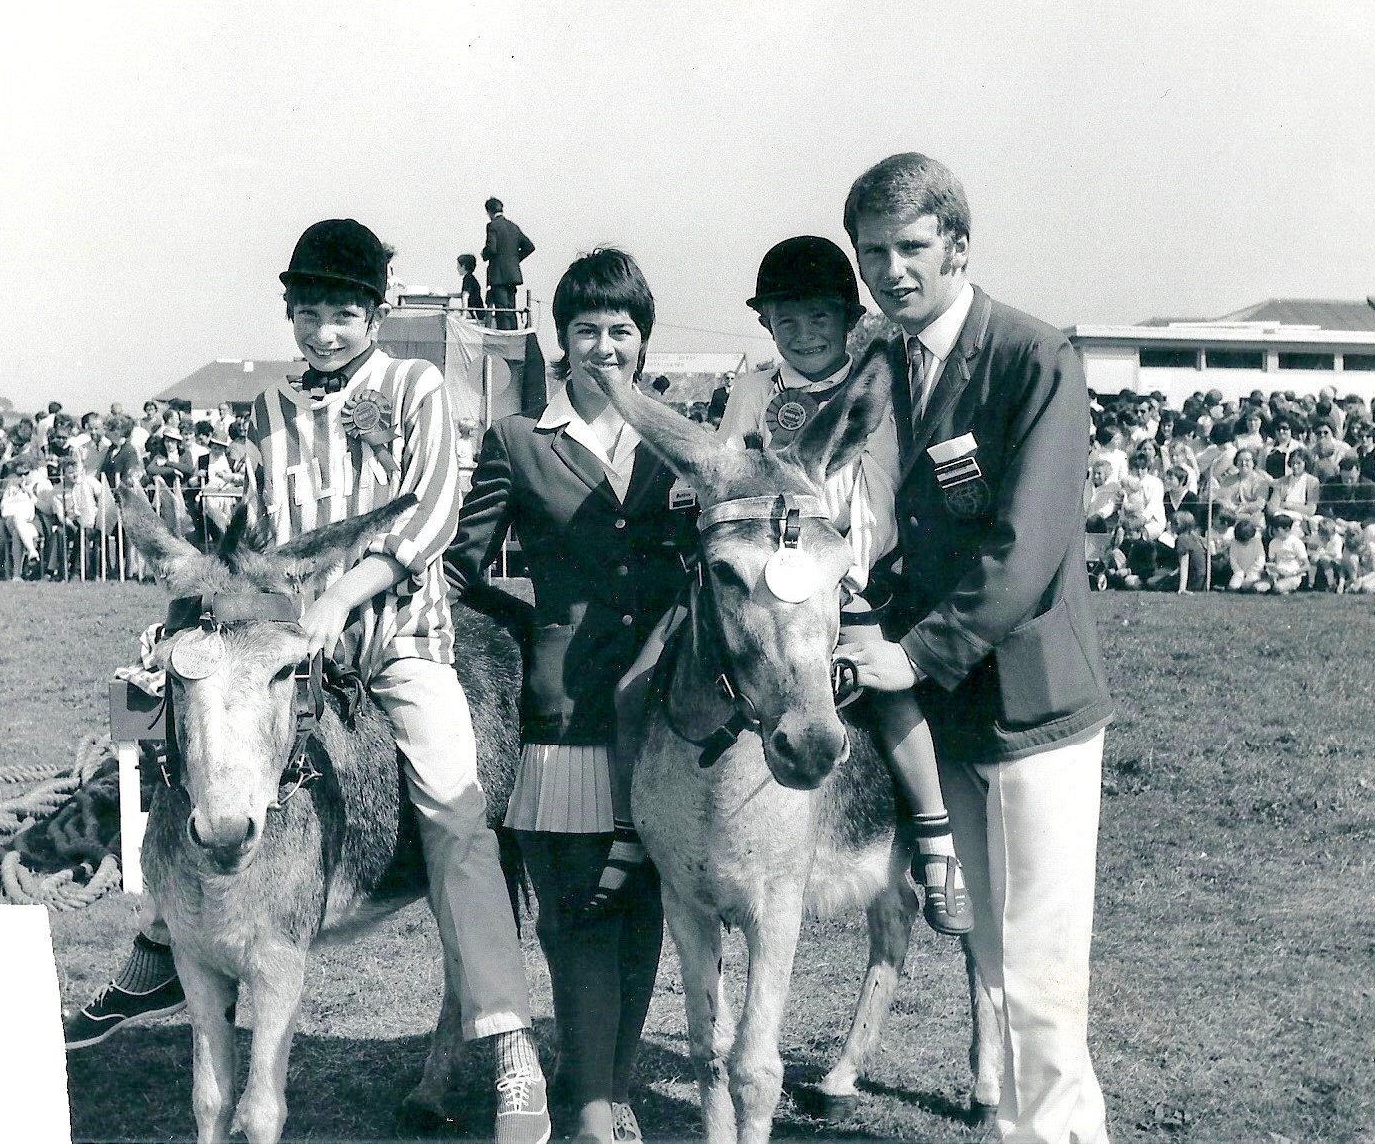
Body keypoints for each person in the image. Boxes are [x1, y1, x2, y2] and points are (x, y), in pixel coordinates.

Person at [65, 218, 551, 1144]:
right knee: (170, 729)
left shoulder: (417, 385)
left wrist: (348, 597)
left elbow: (434, 514)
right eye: (310, 314)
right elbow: (272, 538)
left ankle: (506, 1035)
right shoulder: (275, 403)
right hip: (289, 640)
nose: (325, 331)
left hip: (398, 634)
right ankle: (164, 940)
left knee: (454, 805)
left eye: (343, 313)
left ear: (373, 310)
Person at [837, 154, 1113, 1144]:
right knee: (992, 958)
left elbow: (1028, 550)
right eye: (873, 251)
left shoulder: (1035, 357)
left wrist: (913, 654)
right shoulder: (884, 364)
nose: (892, 269)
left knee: (1041, 972)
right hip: (948, 718)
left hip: (1035, 705)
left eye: (912, 247)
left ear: (960, 244)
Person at [446, 248, 686, 1144]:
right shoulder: (519, 441)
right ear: (562, 341)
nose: (603, 346)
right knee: (580, 908)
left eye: (620, 329)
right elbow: (459, 570)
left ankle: (611, 1081)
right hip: (568, 718)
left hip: (667, 717)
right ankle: (589, 1099)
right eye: (585, 330)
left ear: (642, 340)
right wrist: (536, 630)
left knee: (643, 906)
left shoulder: (677, 438)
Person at [705, 233, 971, 936]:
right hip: (763, 577)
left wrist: (842, 570)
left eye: (819, 319)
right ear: (765, 324)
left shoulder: (868, 390)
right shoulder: (754, 389)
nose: (802, 334)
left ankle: (936, 842)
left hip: (839, 576)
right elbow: (733, 475)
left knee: (884, 689)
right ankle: (665, 829)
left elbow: (876, 493)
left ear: (850, 322)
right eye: (785, 321)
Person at [482, 197, 536, 330]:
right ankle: (514, 338)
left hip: (498, 275)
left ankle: (505, 341)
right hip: (512, 275)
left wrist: (484, 254)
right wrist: (514, 260)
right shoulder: (513, 226)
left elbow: (491, 249)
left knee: (502, 311)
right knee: (511, 310)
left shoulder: (492, 226)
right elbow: (529, 246)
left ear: (489, 212)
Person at [1262, 512, 1309, 594]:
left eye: (1277, 529)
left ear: (1287, 529)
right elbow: (1271, 562)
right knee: (1259, 588)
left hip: (1292, 575)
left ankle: (1287, 588)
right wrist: (1273, 572)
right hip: (1277, 574)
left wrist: (1291, 573)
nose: (1273, 531)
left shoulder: (1296, 542)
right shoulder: (1273, 543)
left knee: (1277, 588)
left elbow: (1307, 566)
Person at [1226, 520, 1266, 591]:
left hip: (1254, 572)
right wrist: (1239, 572)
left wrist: (1251, 572)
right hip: (1239, 573)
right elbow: (1233, 560)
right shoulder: (1234, 543)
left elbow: (1260, 559)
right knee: (1233, 587)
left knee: (1251, 586)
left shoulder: (1257, 541)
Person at [458, 252, 486, 322]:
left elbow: (465, 296)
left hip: (474, 313)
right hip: (478, 311)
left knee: (449, 316)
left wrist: (463, 315)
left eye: (458, 266)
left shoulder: (467, 279)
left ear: (463, 266)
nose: (457, 268)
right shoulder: (471, 278)